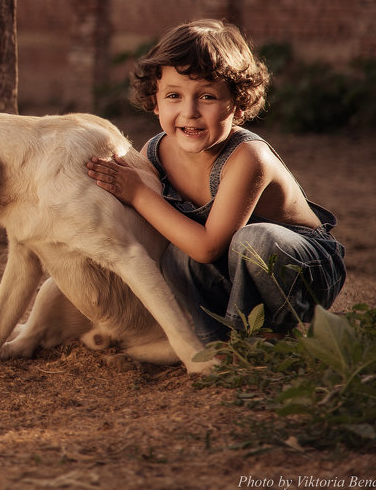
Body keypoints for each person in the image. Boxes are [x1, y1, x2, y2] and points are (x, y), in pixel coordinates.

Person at [85, 19, 345, 342]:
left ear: (238, 105)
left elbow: (208, 247)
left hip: (302, 268)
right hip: (235, 273)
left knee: (252, 241)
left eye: (206, 97)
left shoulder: (248, 158)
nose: (190, 111)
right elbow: (159, 234)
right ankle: (212, 342)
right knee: (176, 255)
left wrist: (138, 193)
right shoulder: (154, 154)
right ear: (154, 101)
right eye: (174, 95)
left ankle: (264, 336)